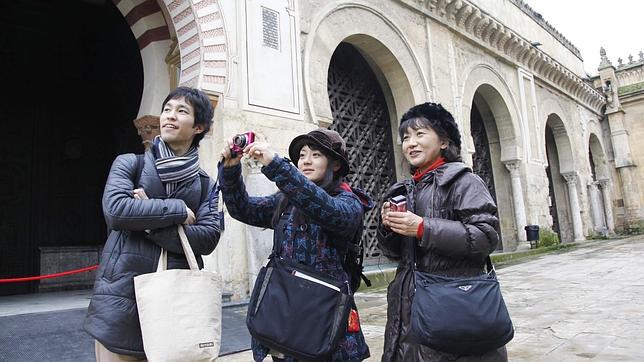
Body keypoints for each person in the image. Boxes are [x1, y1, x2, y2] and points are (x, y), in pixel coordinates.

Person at [84, 86, 221, 361]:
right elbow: (117, 211)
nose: (170, 116)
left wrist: (147, 220)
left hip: (177, 307)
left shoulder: (206, 184)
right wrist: (178, 210)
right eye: (166, 109)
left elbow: (207, 238)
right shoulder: (129, 164)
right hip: (120, 300)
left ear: (199, 126)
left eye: (181, 111)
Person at [220, 128, 372, 361]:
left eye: (316, 155)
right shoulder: (287, 201)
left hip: (326, 318)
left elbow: (326, 209)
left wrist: (276, 165)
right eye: (301, 155)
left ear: (335, 165)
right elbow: (244, 209)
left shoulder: (349, 202)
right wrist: (230, 169)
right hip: (286, 316)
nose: (306, 161)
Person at [378, 102, 506, 361]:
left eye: (420, 134)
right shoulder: (403, 190)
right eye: (405, 137)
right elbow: (395, 254)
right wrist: (389, 228)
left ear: (444, 141)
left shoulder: (464, 182)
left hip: (454, 306)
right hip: (407, 308)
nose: (410, 143)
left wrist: (424, 227)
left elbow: (485, 236)